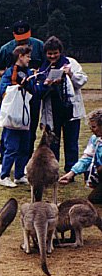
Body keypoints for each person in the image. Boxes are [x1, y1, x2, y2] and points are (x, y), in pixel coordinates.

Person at [0, 21, 44, 174]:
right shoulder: (6, 49)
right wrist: (14, 75)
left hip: (29, 99)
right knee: (9, 130)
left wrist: (33, 73)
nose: (22, 40)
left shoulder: (39, 45)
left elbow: (46, 65)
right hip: (13, 97)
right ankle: (4, 162)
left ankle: (24, 164)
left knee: (29, 129)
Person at [39, 36, 87, 174]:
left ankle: (71, 171)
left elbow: (82, 80)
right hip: (52, 110)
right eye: (49, 53)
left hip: (70, 109)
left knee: (71, 142)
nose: (52, 56)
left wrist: (70, 74)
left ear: (60, 51)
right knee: (53, 142)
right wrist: (48, 83)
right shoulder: (43, 67)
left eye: (55, 53)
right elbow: (39, 90)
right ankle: (53, 170)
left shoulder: (71, 63)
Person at [59, 108, 102, 204]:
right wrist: (71, 173)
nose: (91, 130)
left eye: (94, 127)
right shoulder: (95, 139)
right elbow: (86, 158)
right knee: (93, 199)